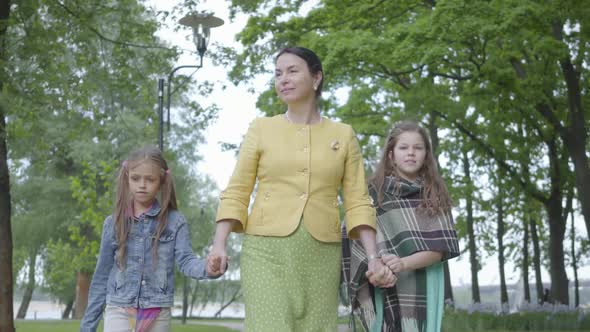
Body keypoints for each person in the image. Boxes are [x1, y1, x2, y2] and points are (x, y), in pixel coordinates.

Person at [207, 46, 395, 331]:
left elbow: (358, 201)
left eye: (293, 71)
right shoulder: (261, 128)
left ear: (316, 78)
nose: (283, 79)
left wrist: (373, 258)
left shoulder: (342, 135)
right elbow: (237, 190)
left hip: (322, 251)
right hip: (265, 250)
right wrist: (218, 245)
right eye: (278, 73)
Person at [80, 146, 220, 332]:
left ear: (161, 182)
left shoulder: (175, 222)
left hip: (157, 309)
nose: (142, 185)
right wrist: (87, 326)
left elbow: (186, 261)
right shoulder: (113, 223)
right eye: (136, 178)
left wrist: (208, 268)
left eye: (150, 179)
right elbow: (101, 276)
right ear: (127, 179)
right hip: (118, 307)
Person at [342, 121, 460, 332]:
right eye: (403, 147)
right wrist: (376, 268)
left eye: (418, 148)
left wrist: (402, 264)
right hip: (382, 279)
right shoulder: (372, 192)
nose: (411, 153)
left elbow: (440, 249)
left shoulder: (434, 194)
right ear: (391, 154)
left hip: (424, 278)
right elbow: (355, 235)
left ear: (426, 155)